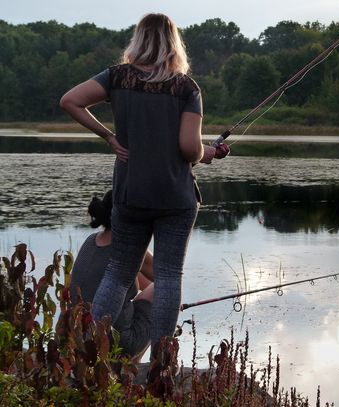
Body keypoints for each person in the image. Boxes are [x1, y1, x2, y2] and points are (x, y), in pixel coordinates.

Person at [60, 13, 229, 355]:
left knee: (119, 274)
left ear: (138, 40)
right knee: (168, 277)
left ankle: (96, 354)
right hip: (174, 197)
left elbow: (70, 101)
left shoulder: (117, 78)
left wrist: (108, 135)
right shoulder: (186, 88)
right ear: (173, 43)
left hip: (129, 193)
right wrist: (208, 153)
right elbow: (188, 148)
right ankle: (160, 366)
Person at [70, 190, 154, 361]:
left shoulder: (90, 241)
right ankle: (135, 363)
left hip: (83, 338)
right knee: (167, 290)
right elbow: (167, 278)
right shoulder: (130, 248)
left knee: (130, 274)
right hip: (118, 343)